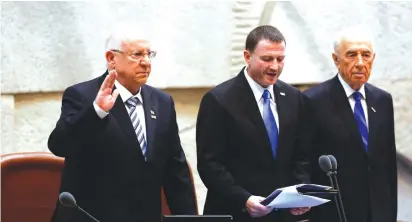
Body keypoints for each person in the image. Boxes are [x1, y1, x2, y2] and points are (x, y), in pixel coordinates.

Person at [48, 25, 197, 222]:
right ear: (111, 58)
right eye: (137, 55)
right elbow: (60, 145)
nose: (146, 62)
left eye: (149, 54)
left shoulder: (162, 102)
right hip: (93, 216)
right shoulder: (83, 95)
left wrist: (189, 219)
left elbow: (175, 170)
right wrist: (96, 111)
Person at [196, 25, 311, 222]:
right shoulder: (219, 99)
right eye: (267, 59)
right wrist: (244, 199)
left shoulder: (294, 98)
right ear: (247, 57)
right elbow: (209, 164)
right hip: (236, 213)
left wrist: (301, 192)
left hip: (283, 216)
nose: (275, 66)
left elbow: (302, 154)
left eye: (280, 59)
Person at [304, 27, 397, 222]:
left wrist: (390, 212)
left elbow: (387, 162)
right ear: (336, 60)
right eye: (352, 55)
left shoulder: (382, 100)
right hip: (336, 211)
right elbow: (305, 160)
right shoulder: (313, 101)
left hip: (378, 211)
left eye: (366, 55)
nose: (360, 63)